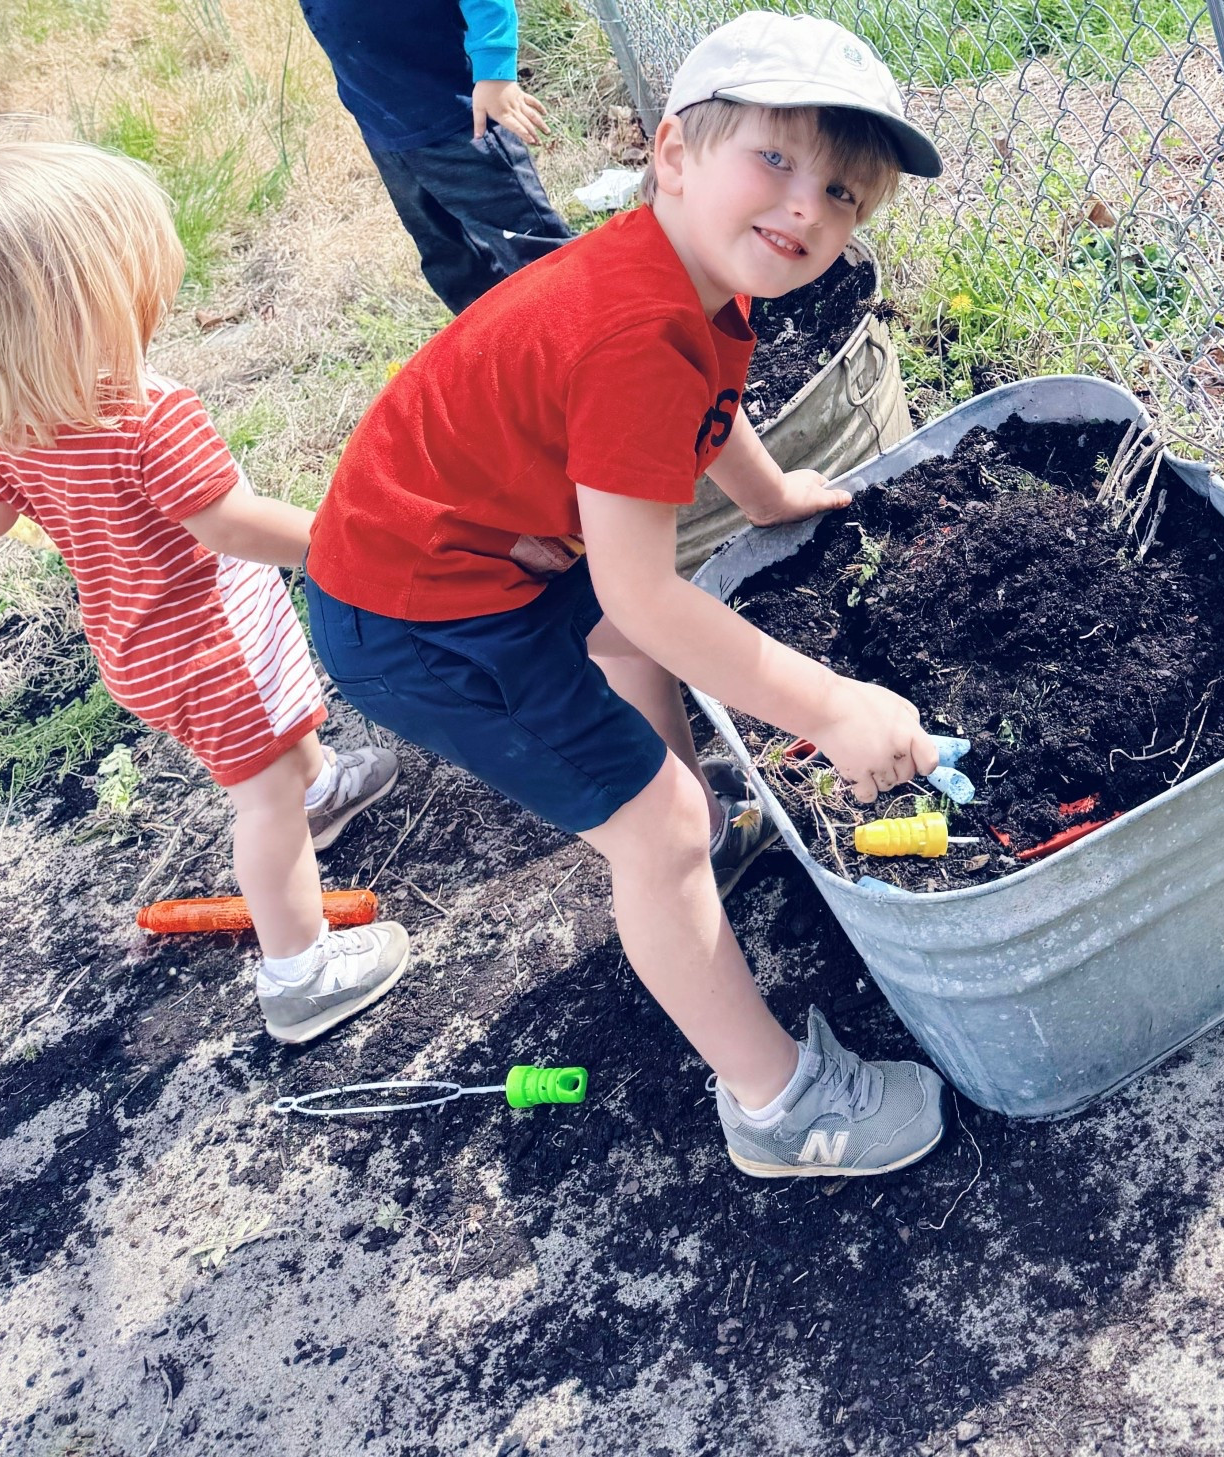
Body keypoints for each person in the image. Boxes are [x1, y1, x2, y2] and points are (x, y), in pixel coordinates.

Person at [303, 12, 953, 1177]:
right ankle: (777, 1105)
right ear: (672, 153)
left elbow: (709, 402)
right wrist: (833, 708)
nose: (806, 207)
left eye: (842, 194)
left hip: (477, 547)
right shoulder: (634, 332)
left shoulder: (689, 271)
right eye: (775, 159)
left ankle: (704, 832)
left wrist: (764, 495)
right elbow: (645, 592)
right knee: (655, 828)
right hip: (423, 614)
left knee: (626, 653)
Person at [0, 141, 408, 1046]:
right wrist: (350, 541)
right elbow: (231, 525)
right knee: (260, 800)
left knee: (275, 737)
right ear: (93, 296)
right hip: (212, 640)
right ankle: (300, 974)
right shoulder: (148, 414)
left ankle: (323, 792)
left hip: (135, 642)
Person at [298, 0, 573, 311]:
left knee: (531, 246)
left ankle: (586, 320)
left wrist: (494, 72)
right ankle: (499, 334)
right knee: (453, 263)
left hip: (459, 122)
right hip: (385, 130)